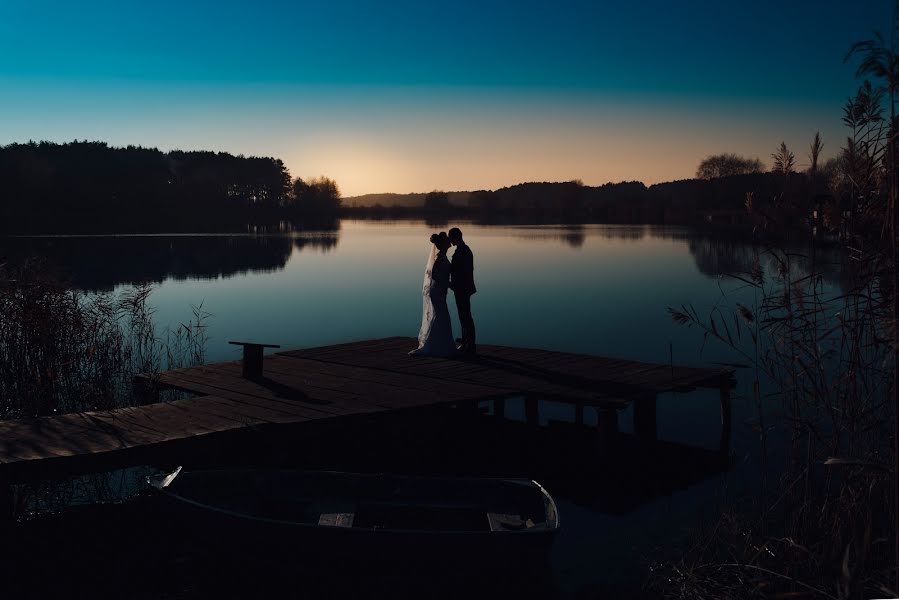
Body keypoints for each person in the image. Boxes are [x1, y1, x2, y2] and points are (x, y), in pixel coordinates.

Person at [409, 232, 457, 357]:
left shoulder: (442, 256)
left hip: (440, 291)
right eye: (447, 240)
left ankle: (440, 344)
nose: (449, 241)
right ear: (443, 244)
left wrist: (447, 284)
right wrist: (449, 284)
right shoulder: (440, 258)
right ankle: (436, 345)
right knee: (442, 317)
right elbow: (434, 275)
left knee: (440, 317)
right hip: (437, 291)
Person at [448, 227, 476, 354]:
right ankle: (466, 341)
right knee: (464, 316)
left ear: (456, 237)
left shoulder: (463, 251)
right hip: (462, 288)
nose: (450, 240)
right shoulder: (463, 249)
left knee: (465, 316)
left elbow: (463, 272)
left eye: (451, 238)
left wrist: (452, 284)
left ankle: (469, 344)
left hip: (462, 289)